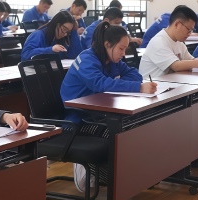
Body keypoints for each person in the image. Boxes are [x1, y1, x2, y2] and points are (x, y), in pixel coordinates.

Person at [59, 23, 155, 191]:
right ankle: (87, 170)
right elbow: (100, 84)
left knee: (135, 125)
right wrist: (137, 87)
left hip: (100, 110)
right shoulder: (87, 59)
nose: (123, 54)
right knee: (119, 131)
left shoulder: (111, 60)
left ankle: (123, 176)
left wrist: (119, 83)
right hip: (79, 118)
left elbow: (134, 73)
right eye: (121, 49)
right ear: (107, 44)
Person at [139, 6, 198, 80]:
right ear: (177, 24)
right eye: (188, 29)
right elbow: (176, 66)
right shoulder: (159, 41)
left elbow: (192, 62)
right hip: (154, 88)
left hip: (170, 84)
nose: (189, 33)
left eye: (191, 30)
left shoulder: (179, 42)